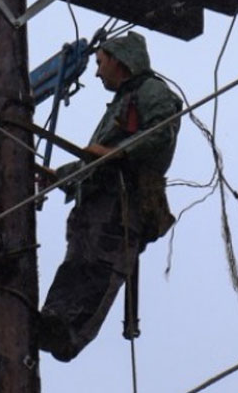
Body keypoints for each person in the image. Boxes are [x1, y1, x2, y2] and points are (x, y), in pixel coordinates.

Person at [37, 31, 180, 362]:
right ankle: (52, 321)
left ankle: (71, 335)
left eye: (100, 63)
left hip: (123, 201)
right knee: (76, 265)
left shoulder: (151, 91)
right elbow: (99, 156)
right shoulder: (121, 102)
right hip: (97, 203)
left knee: (101, 269)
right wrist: (60, 175)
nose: (97, 71)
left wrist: (117, 153)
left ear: (120, 60)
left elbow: (161, 133)